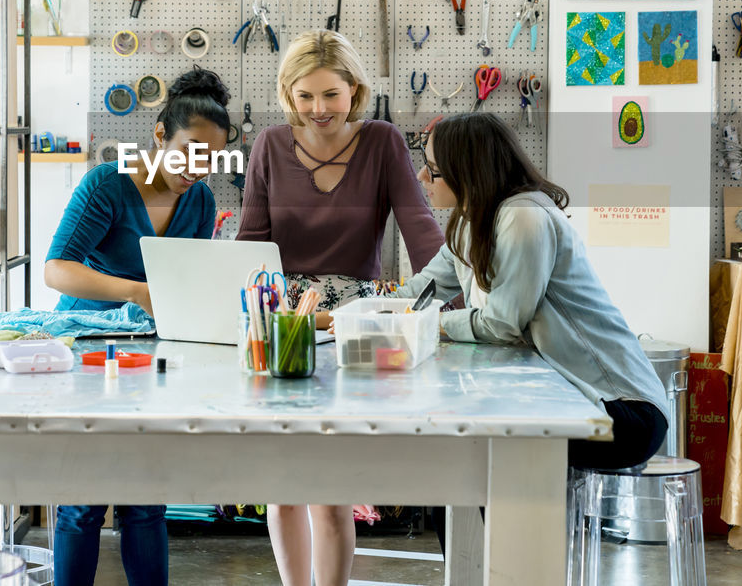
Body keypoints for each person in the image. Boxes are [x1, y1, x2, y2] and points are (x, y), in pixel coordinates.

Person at [236, 29, 443, 586]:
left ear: (355, 89)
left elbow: (420, 228)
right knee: (281, 491)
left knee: (328, 493)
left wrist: (456, 297)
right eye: (305, 96)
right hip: (285, 321)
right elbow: (252, 242)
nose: (319, 109)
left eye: (331, 94)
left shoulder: (382, 141)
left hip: (353, 328)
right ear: (287, 94)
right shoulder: (270, 146)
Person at [399, 112, 669, 473]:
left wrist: (433, 322)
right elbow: (416, 294)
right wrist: (345, 317)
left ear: (468, 170)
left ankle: (503, 530)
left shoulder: (523, 216)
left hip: (621, 409)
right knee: (455, 442)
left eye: (432, 168)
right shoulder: (469, 223)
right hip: (562, 395)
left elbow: (501, 323)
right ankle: (486, 529)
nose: (422, 177)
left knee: (459, 444)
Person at [45, 67, 231, 586]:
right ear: (158, 135)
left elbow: (192, 282)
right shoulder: (107, 183)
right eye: (191, 150)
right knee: (83, 504)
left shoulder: (200, 200)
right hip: (87, 352)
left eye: (211, 158)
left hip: (150, 359)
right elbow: (57, 268)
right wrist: (136, 292)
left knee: (147, 502)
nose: (199, 167)